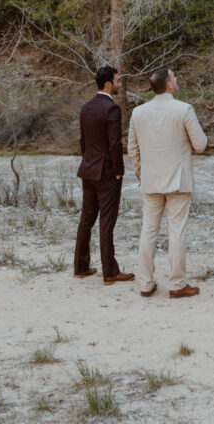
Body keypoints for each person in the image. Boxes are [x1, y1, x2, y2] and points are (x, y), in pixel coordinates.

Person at [128, 65, 207, 298]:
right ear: (169, 85)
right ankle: (177, 283)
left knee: (148, 231)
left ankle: (145, 283)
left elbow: (132, 149)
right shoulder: (184, 109)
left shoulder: (138, 112)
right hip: (178, 181)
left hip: (151, 179)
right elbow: (201, 144)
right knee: (177, 231)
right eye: (174, 76)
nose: (177, 77)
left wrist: (143, 172)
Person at [73, 65, 134, 285]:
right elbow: (114, 144)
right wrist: (118, 171)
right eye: (117, 80)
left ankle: (80, 267)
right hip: (106, 174)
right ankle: (110, 272)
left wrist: (87, 161)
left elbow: (83, 141)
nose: (119, 83)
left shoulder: (86, 107)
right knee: (107, 222)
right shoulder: (112, 109)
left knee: (86, 220)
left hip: (88, 170)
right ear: (107, 84)